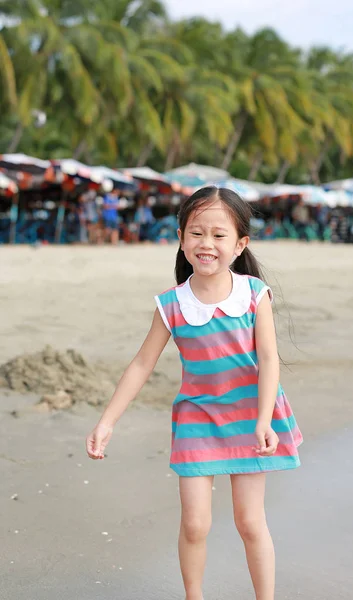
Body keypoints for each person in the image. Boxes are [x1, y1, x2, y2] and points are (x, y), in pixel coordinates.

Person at [86, 186, 303, 600]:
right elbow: (141, 364)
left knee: (249, 522)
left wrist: (263, 420)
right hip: (197, 420)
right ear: (182, 238)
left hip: (248, 417)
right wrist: (106, 421)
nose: (207, 244)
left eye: (219, 235)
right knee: (194, 524)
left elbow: (270, 360)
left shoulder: (254, 294)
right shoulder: (171, 304)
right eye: (196, 233)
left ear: (240, 244)